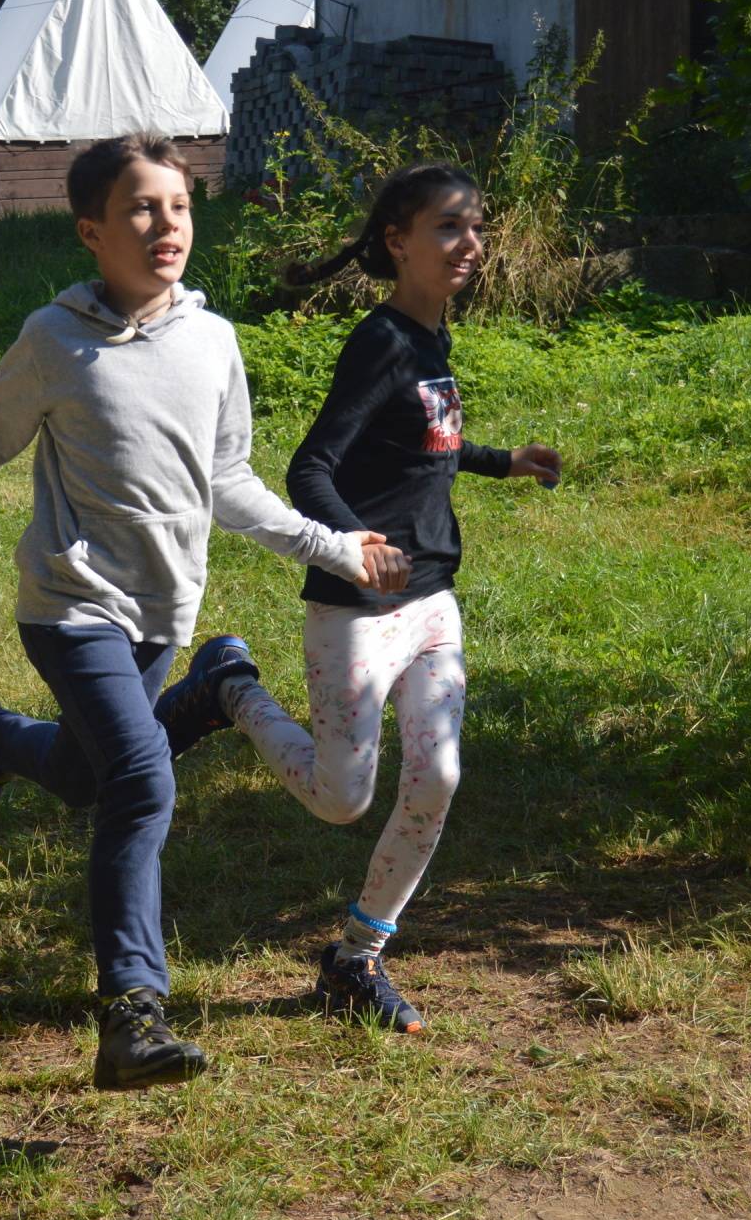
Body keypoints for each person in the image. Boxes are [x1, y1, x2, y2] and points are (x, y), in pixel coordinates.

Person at [0, 133, 401, 1089]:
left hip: (165, 609)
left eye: (178, 206)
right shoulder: (57, 340)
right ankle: (133, 1013)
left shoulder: (213, 342)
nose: (166, 224)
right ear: (91, 230)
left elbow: (229, 481)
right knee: (139, 780)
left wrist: (336, 547)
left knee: (88, 776)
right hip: (71, 605)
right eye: (140, 207)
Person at [153, 163, 561, 1035]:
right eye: (449, 227)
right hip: (357, 609)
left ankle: (356, 958)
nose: (471, 243)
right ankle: (229, 689)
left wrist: (502, 463)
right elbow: (312, 467)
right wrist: (354, 546)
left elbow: (425, 445)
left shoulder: (433, 335)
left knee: (438, 774)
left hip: (433, 599)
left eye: (476, 226)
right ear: (397, 242)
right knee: (342, 798)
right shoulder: (381, 341)